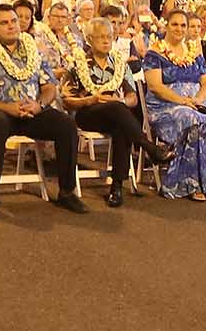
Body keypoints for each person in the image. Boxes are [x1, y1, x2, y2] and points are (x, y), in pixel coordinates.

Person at [0, 1, 85, 220]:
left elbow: (49, 87)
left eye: (14, 21)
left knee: (66, 125)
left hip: (31, 111)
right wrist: (7, 107)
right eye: (4, 23)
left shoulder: (33, 50)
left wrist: (39, 105)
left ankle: (67, 191)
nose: (11, 26)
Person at [58, 12, 165, 207]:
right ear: (89, 40)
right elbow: (67, 101)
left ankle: (116, 188)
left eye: (109, 36)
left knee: (121, 124)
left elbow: (133, 98)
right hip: (87, 112)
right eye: (101, 37)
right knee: (119, 112)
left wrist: (122, 101)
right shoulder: (77, 64)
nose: (106, 41)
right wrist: (91, 99)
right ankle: (148, 147)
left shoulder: (119, 64)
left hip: (116, 114)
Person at [141, 10, 206, 202]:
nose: (179, 29)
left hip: (195, 103)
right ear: (166, 26)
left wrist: (197, 99)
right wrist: (182, 101)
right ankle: (192, 183)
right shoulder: (154, 53)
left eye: (183, 25)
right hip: (166, 106)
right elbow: (155, 86)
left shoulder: (194, 52)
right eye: (175, 24)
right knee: (191, 118)